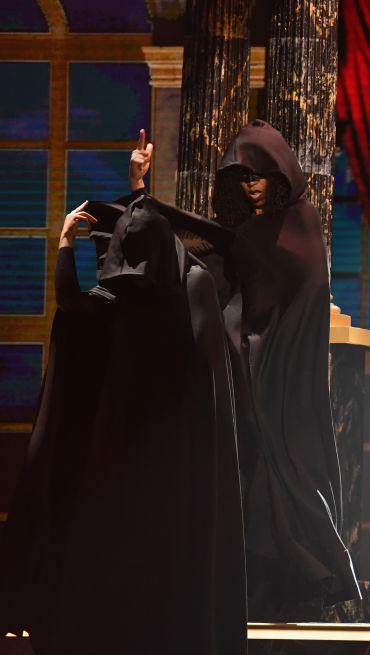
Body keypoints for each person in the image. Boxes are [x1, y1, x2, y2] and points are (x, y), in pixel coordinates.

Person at [0, 196, 246, 654]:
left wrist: (65, 243)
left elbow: (70, 304)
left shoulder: (116, 298)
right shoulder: (192, 288)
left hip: (121, 457)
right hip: (170, 462)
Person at [210, 120, 360, 620]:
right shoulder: (246, 233)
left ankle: (308, 583)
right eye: (242, 177)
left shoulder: (303, 223)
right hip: (253, 366)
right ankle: (264, 590)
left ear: (281, 174)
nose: (252, 186)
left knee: (295, 466)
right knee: (257, 471)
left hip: (291, 372)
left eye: (260, 175)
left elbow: (305, 293)